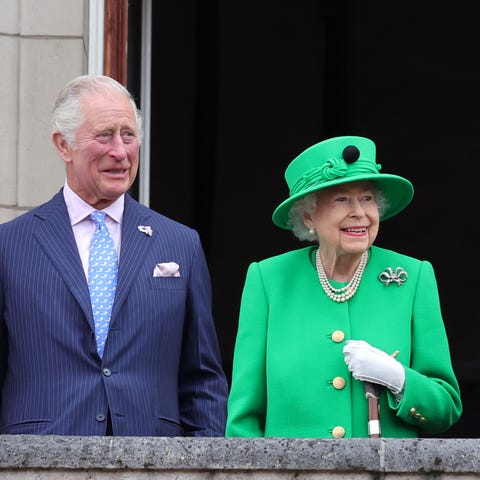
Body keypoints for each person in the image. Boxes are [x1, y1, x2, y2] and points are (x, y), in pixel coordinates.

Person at [0, 74, 228, 436]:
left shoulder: (181, 244)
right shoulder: (10, 245)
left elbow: (202, 381)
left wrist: (204, 467)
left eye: (129, 135)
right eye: (104, 135)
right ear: (64, 145)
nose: (120, 152)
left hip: (153, 461)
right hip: (37, 462)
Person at [226, 135, 462, 438]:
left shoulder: (413, 277)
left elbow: (447, 407)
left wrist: (400, 380)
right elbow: (243, 420)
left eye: (367, 198)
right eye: (342, 200)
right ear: (308, 214)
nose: (360, 213)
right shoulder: (269, 280)